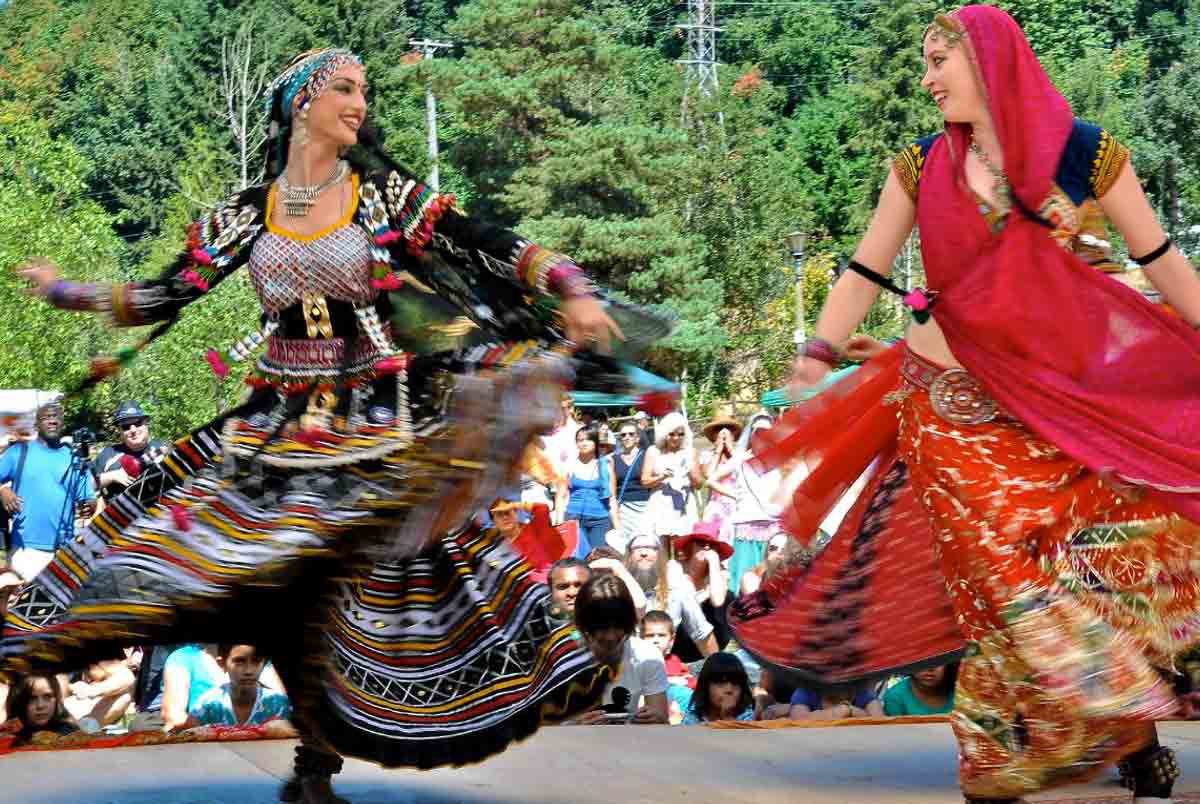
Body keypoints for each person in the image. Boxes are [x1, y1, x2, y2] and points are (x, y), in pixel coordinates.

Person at [0, 47, 659, 804]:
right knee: (241, 572)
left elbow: (485, 240)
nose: (359, 104)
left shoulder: (384, 198)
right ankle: (311, 756)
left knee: (391, 573)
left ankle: (330, 752)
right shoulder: (247, 212)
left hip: (371, 418)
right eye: (344, 89)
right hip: (273, 425)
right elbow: (159, 295)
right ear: (301, 105)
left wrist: (570, 286)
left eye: (364, 92)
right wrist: (64, 292)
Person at [731, 7, 1200, 803]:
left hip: (1059, 411)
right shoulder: (920, 165)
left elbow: (1159, 260)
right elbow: (865, 270)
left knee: (1077, 567)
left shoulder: (1088, 155)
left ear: (988, 63)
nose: (927, 76)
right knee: (993, 570)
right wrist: (814, 357)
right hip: (945, 406)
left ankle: (1122, 726)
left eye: (939, 58)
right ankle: (1027, 742)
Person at [0, 401, 96, 581]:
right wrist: (3, 490)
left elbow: (88, 497)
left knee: (62, 608)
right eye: (47, 417)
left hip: (65, 552)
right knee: (20, 607)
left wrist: (90, 505)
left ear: (63, 423)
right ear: (36, 424)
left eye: (56, 417)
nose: (52, 421)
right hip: (26, 551)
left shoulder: (75, 458)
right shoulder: (20, 451)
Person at [570, 574, 668, 725]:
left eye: (618, 627)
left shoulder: (648, 656)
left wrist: (656, 719)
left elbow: (661, 720)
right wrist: (573, 728)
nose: (611, 637)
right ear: (584, 626)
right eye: (602, 628)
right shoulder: (561, 659)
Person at [623, 533, 718, 659]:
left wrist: (718, 668)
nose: (644, 553)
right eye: (637, 548)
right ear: (629, 555)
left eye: (651, 548)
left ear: (660, 555)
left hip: (662, 663)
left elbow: (702, 633)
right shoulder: (618, 588)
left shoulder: (678, 587)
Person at [724, 412, 784, 596]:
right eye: (758, 431)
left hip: (771, 526)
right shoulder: (741, 460)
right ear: (751, 433)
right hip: (746, 525)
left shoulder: (778, 460)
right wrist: (735, 495)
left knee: (770, 576)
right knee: (744, 576)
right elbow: (711, 479)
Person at [670, 521, 732, 661]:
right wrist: (703, 595)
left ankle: (713, 658)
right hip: (679, 632)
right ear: (691, 546)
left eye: (712, 545)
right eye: (701, 542)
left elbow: (718, 601)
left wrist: (714, 562)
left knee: (728, 596)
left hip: (710, 632)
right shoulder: (675, 567)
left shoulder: (719, 573)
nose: (706, 547)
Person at [189, 644, 292, 728]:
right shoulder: (207, 705)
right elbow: (188, 741)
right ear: (222, 664)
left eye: (256, 661)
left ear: (264, 664)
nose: (248, 671)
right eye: (239, 662)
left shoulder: (279, 704)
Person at [556, 425, 619, 558]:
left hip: (600, 519)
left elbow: (612, 498)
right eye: (580, 440)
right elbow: (561, 496)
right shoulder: (568, 464)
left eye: (588, 439)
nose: (583, 443)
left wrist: (618, 527)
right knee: (577, 559)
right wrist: (559, 523)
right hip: (574, 518)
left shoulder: (606, 463)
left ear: (595, 442)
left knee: (599, 558)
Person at [93, 401, 168, 504]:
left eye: (137, 423)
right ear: (119, 430)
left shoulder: (164, 448)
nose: (133, 430)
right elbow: (84, 486)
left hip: (159, 515)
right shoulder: (108, 454)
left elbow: (188, 477)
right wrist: (111, 476)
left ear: (146, 423)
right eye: (125, 426)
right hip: (122, 516)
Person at [639, 610, 695, 725]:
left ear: (671, 640)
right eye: (650, 635)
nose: (656, 640)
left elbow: (689, 681)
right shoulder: (637, 662)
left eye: (661, 635)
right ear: (641, 638)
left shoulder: (674, 662)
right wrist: (669, 681)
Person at [609, 420, 653, 550]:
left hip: (646, 506)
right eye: (623, 435)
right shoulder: (613, 459)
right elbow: (612, 490)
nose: (627, 437)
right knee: (627, 546)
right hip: (624, 509)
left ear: (637, 437)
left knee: (646, 543)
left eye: (631, 434)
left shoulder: (647, 455)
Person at [680, 652, 756, 725]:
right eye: (721, 683)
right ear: (706, 686)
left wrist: (728, 717)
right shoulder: (693, 716)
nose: (729, 690)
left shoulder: (747, 716)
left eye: (735, 683)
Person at [4, 673, 78, 746]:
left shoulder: (70, 735)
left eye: (47, 696)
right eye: (32, 698)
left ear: (57, 699)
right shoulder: (6, 739)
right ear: (19, 702)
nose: (40, 705)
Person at [696, 413, 741, 528]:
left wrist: (730, 449)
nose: (724, 433)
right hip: (716, 506)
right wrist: (718, 450)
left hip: (738, 503)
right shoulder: (707, 455)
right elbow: (708, 475)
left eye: (728, 429)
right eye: (719, 429)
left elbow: (744, 469)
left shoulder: (740, 454)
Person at [882, 662, 958, 717]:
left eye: (939, 661)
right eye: (924, 660)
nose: (930, 668)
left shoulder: (960, 691)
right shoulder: (895, 697)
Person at [788, 682, 883, 721]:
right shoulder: (806, 690)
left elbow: (880, 721)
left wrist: (849, 710)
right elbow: (799, 720)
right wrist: (842, 711)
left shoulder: (863, 691)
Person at [737, 530, 789, 597]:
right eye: (773, 548)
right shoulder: (752, 578)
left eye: (784, 550)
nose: (778, 552)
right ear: (767, 552)